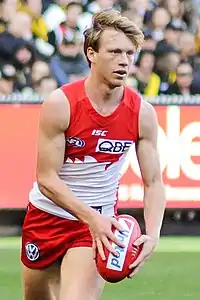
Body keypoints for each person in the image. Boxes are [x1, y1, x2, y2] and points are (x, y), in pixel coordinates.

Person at [21, 9, 166, 300]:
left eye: (129, 53)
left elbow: (153, 182)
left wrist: (153, 233)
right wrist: (90, 217)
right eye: (114, 52)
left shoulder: (142, 113)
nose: (124, 61)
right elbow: (47, 178)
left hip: (99, 223)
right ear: (92, 54)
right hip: (46, 215)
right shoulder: (61, 103)